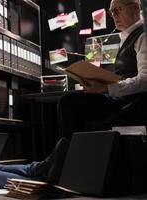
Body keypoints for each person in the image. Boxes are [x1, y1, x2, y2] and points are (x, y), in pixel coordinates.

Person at [57, 0, 147, 140]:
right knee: (73, 102)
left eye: (117, 10)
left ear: (135, 7)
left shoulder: (143, 36)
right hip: (122, 99)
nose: (114, 16)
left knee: (68, 102)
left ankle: (65, 157)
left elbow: (145, 80)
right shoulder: (128, 36)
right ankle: (73, 156)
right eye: (111, 12)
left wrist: (106, 88)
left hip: (131, 104)